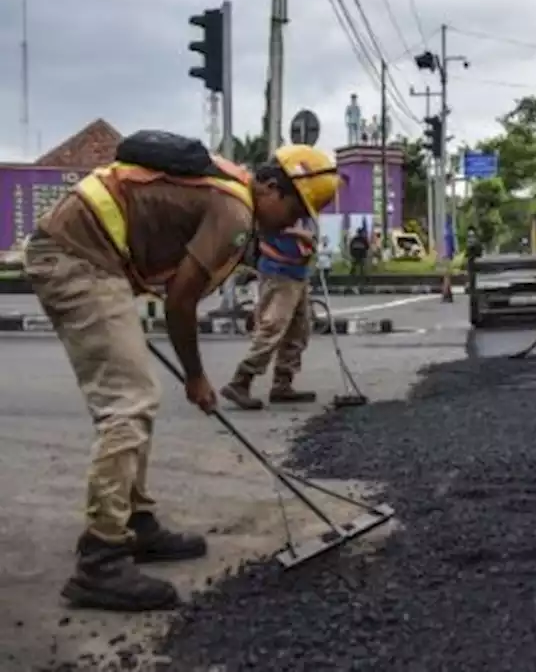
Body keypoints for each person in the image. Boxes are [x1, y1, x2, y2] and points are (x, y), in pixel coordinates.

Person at [22, 139, 339, 612]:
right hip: (75, 257)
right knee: (128, 403)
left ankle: (137, 522)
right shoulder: (235, 211)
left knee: (137, 395)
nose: (293, 222)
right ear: (272, 187)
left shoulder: (231, 188)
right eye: (295, 209)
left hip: (89, 255)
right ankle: (101, 559)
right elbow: (180, 301)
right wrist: (196, 377)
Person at [219, 217, 320, 410]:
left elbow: (311, 239)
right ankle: (241, 380)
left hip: (299, 273)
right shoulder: (277, 207)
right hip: (279, 274)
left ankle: (283, 383)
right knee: (273, 326)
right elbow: (262, 242)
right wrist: (296, 238)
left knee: (299, 330)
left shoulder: (306, 209)